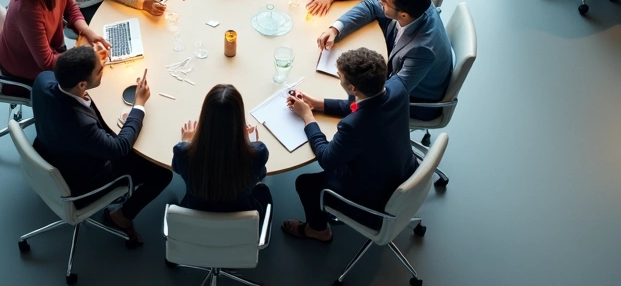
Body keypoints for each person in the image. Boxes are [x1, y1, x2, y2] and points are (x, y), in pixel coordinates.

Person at [31, 47, 171, 246]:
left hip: (51, 150)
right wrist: (139, 105)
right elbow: (119, 148)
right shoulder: (79, 124)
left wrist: (92, 58)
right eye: (99, 70)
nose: (103, 69)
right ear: (82, 84)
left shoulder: (43, 80)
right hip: (80, 180)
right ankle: (121, 217)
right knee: (162, 174)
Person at [282, 48, 417, 242]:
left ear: (352, 88)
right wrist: (317, 104)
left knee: (305, 183)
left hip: (377, 194)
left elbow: (326, 159)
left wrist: (307, 117)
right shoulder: (398, 88)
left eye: (340, 76)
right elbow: (358, 105)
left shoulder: (354, 126)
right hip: (404, 169)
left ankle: (318, 230)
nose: (338, 77)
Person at [316, 0, 452, 119]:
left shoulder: (422, 50)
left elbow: (387, 95)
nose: (380, 0)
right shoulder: (417, 4)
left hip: (415, 100)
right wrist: (335, 30)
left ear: (403, 15)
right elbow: (371, 6)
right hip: (394, 65)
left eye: (385, 0)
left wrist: (323, 104)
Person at [173, 85, 272, 218]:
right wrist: (250, 144)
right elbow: (260, 174)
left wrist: (186, 142)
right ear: (239, 119)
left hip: (195, 216)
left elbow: (177, 168)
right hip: (241, 223)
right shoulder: (258, 153)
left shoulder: (183, 153)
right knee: (263, 191)